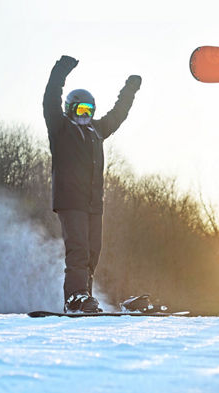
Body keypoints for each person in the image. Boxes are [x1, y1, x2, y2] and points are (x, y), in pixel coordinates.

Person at [43, 55, 141, 313]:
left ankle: (83, 297)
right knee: (78, 250)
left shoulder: (97, 131)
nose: (86, 116)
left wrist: (129, 90)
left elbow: (118, 115)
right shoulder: (60, 129)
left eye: (90, 111)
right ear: (70, 110)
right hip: (69, 200)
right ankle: (74, 297)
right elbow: (50, 97)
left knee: (92, 253)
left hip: (92, 203)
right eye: (81, 110)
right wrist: (61, 70)